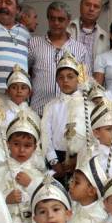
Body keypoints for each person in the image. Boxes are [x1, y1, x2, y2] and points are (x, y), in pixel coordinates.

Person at [29, 1, 89, 116]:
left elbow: (84, 82)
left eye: (61, 19)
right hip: (39, 111)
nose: (56, 23)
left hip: (70, 114)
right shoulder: (34, 43)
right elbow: (24, 73)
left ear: (68, 20)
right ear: (48, 19)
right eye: (52, 19)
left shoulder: (80, 49)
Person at [41, 54, 88, 185]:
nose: (65, 81)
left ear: (78, 79)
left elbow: (91, 136)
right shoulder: (50, 106)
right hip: (57, 159)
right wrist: (54, 162)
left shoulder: (87, 105)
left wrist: (78, 159)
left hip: (80, 158)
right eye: (61, 78)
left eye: (70, 77)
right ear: (56, 81)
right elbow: (46, 135)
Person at [67, 0, 110, 69]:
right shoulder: (67, 28)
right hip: (68, 79)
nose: (91, 9)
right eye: (87, 5)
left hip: (93, 80)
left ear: (100, 11)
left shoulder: (105, 37)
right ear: (80, 6)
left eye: (96, 6)